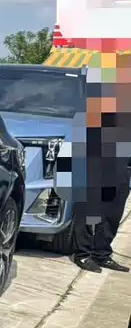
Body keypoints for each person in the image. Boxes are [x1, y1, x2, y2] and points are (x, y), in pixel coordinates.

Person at [59, 52, 131, 273]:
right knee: (91, 209)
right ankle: (83, 254)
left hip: (122, 163)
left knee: (113, 211)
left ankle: (102, 253)